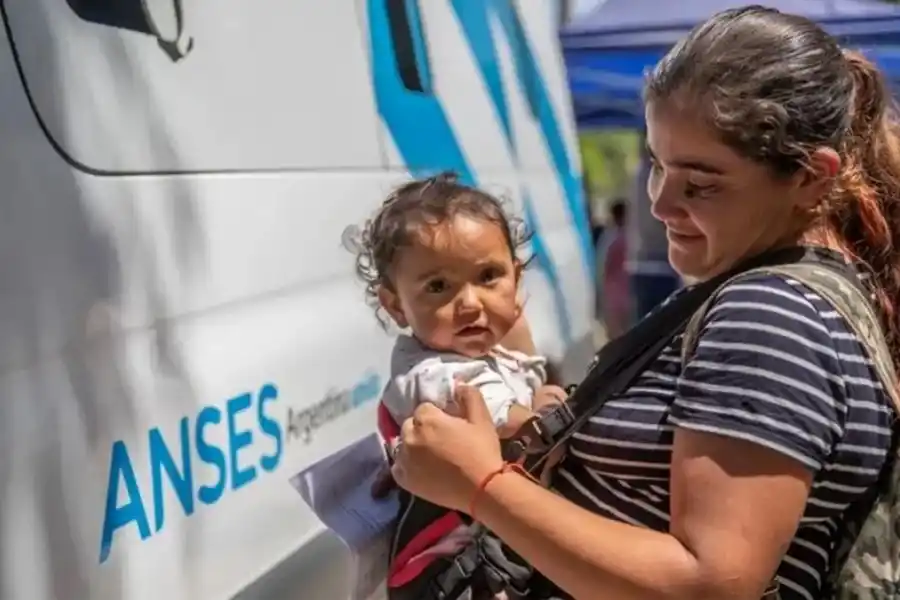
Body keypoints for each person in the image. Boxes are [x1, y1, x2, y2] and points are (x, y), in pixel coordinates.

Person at [387, 7, 900, 600]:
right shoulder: (772, 290)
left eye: (701, 182)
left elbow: (708, 584)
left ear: (812, 177)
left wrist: (478, 483)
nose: (660, 203)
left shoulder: (770, 316)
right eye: (656, 164)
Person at [347, 172, 565, 438]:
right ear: (395, 306)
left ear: (516, 279)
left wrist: (540, 388)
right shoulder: (432, 375)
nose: (471, 304)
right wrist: (548, 409)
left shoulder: (491, 353)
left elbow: (527, 382)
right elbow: (521, 427)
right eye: (438, 286)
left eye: (488, 277)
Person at [595, 198, 631, 338]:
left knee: (616, 336)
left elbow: (602, 268)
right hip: (629, 292)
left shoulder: (609, 238)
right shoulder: (632, 235)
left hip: (613, 295)